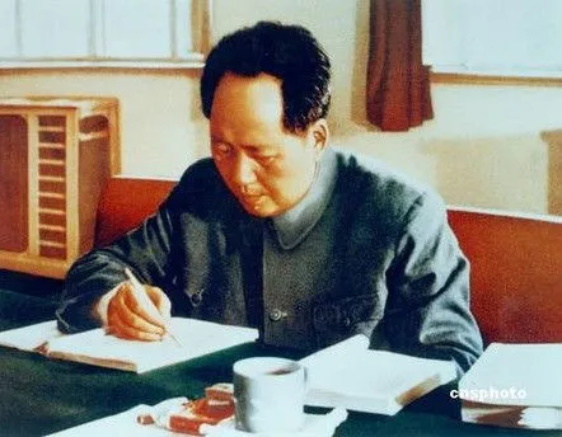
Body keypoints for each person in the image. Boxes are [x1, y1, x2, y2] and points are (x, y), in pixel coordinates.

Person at [57, 21, 482, 374]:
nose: (239, 177)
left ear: (316, 138)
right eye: (223, 149)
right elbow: (98, 268)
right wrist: (115, 302)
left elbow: (454, 361)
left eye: (262, 154)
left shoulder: (402, 214)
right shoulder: (202, 188)